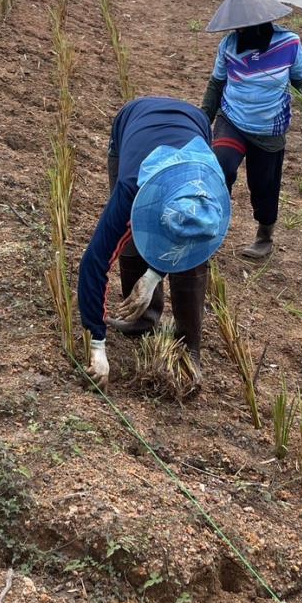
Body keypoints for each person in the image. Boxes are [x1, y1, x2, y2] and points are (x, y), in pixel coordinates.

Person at [78, 96, 231, 387]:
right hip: (132, 119)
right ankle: (143, 319)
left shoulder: (211, 189)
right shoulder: (130, 191)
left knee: (193, 253)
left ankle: (189, 347)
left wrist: (152, 276)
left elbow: (187, 235)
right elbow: (93, 264)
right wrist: (96, 345)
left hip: (193, 122)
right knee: (134, 237)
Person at [201, 0, 302, 260]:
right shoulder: (228, 45)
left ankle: (264, 235)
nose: (241, 32)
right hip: (232, 120)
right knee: (220, 167)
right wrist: (203, 119)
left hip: (270, 127)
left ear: (264, 21)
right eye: (237, 27)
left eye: (245, 27)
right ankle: (209, 228)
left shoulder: (289, 43)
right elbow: (216, 84)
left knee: (264, 185)